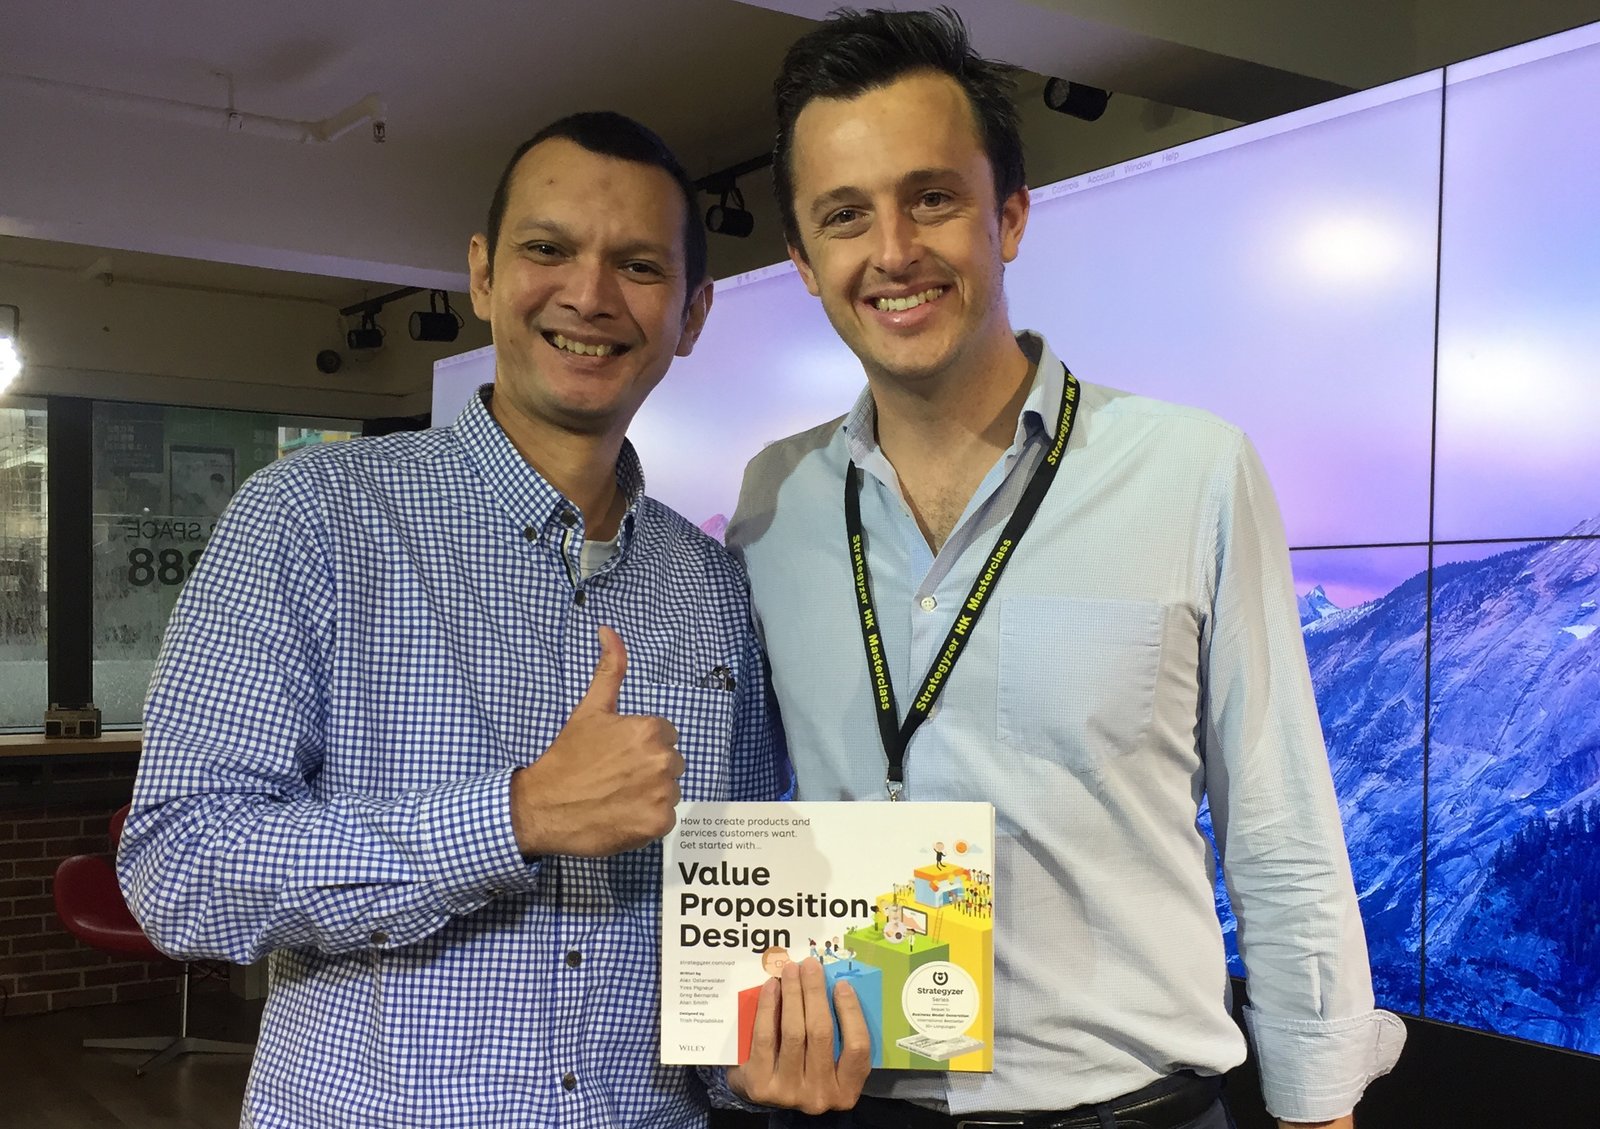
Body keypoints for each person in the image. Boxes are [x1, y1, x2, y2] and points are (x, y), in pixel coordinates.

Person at [119, 111, 865, 1128]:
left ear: (692, 314)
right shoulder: (313, 516)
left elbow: (729, 924)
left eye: (639, 265)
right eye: (548, 249)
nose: (589, 295)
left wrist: (760, 1065)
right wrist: (514, 817)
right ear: (482, 274)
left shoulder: (712, 586)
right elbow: (179, 867)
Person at [727, 10, 1405, 1129]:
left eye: (931, 198)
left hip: (1133, 1106)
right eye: (844, 215)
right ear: (803, 261)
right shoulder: (776, 500)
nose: (892, 250)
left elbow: (1278, 820)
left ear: (1009, 216)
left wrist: (1319, 1108)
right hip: (856, 1101)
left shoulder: (1190, 470)